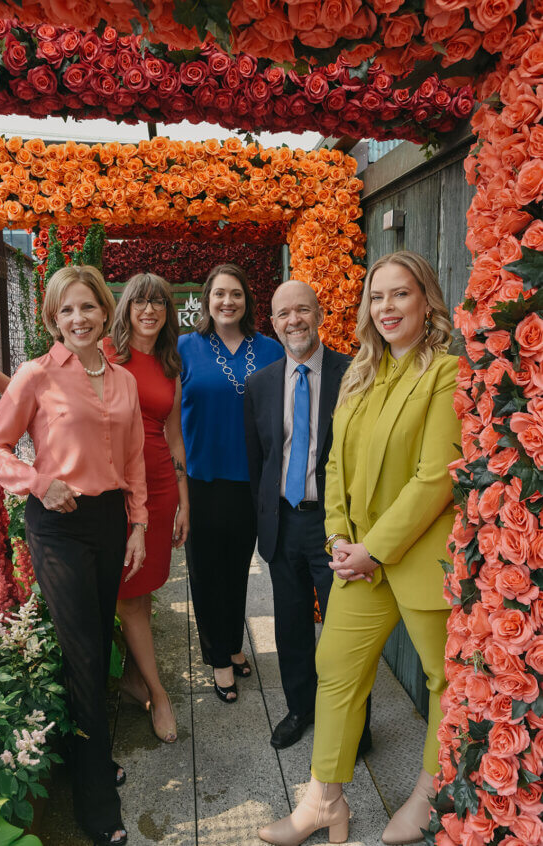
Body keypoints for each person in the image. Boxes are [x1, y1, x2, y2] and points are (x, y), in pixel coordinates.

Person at [258, 251, 461, 846]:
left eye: (400, 295)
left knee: (442, 679)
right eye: (377, 297)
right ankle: (325, 801)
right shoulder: (360, 372)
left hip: (419, 561)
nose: (387, 307)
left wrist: (373, 547)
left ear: (426, 300)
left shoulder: (445, 373)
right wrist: (340, 538)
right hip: (358, 559)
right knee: (337, 669)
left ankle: (428, 796)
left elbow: (435, 478)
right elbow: (336, 464)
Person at [0, 265, 147, 846]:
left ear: (104, 311)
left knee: (99, 644)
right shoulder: (36, 374)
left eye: (87, 308)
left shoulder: (123, 381)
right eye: (65, 311)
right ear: (53, 318)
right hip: (58, 522)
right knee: (80, 651)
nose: (78, 319)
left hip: (108, 521)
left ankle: (87, 758)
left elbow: (133, 463)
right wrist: (36, 481)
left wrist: (140, 524)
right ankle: (98, 804)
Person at [244, 280, 372, 752]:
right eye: (283, 314)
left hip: (337, 526)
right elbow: (258, 460)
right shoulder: (260, 385)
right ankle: (300, 709)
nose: (293, 320)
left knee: (345, 633)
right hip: (284, 523)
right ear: (272, 324)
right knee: (291, 625)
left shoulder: (356, 372)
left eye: (302, 310)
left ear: (319, 314)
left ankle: (355, 722)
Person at [178, 263, 284, 703]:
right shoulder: (184, 347)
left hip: (251, 480)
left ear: (247, 301)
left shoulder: (272, 350)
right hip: (201, 479)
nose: (227, 302)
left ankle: (235, 643)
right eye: (219, 294)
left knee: (238, 569)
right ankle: (219, 657)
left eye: (236, 294)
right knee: (206, 573)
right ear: (206, 300)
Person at [103, 272, 189, 743]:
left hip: (159, 484)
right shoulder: (104, 354)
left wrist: (185, 504)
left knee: (141, 589)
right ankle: (155, 689)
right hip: (111, 486)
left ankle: (141, 681)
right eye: (141, 302)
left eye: (158, 302)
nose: (150, 310)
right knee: (124, 591)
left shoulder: (169, 363)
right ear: (127, 308)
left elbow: (175, 437)